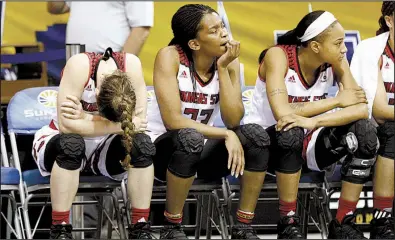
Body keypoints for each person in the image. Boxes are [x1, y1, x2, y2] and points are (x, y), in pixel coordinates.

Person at [244, 10, 379, 239]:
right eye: (338, 43)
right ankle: (288, 221)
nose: (344, 49)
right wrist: (336, 100)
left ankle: (343, 221)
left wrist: (313, 121)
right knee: (291, 130)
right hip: (266, 145)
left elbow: (360, 109)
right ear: (315, 47)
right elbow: (282, 113)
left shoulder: (336, 60)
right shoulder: (277, 56)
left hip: (308, 141)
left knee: (364, 132)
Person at [147, 4, 270, 239]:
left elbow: (233, 119)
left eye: (222, 26)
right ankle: (171, 226)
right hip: (162, 150)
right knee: (189, 138)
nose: (224, 33)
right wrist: (224, 134)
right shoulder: (170, 56)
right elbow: (173, 121)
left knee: (255, 136)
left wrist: (223, 67)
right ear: (194, 43)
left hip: (200, 147)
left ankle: (243, 226)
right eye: (214, 30)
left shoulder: (228, 61)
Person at [31, 48, 156, 239]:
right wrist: (116, 125)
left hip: (104, 146)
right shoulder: (79, 66)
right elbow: (67, 126)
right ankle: (60, 228)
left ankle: (140, 226)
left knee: (142, 145)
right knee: (71, 144)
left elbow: (138, 124)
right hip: (60, 138)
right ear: (95, 93)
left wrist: (85, 117)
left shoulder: (132, 66)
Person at [350, 2, 394, 239]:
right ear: (389, 20)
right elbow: (379, 111)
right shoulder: (373, 51)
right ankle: (382, 219)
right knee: (392, 130)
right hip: (369, 129)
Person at [47, 1, 153, 56]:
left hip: (108, 60)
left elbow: (141, 29)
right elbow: (56, 7)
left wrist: (119, 69)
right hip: (74, 58)